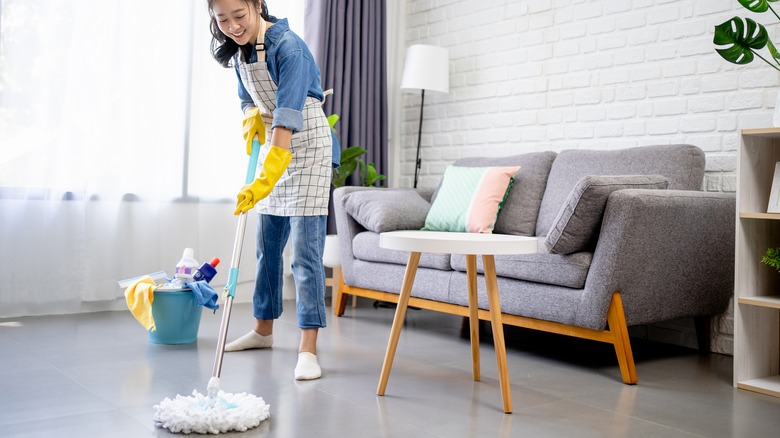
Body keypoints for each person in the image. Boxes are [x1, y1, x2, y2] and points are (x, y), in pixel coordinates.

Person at [207, 0, 332, 381]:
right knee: (267, 248)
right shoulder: (240, 52)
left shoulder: (289, 47)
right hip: (276, 150)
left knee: (305, 256)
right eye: (222, 20)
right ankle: (262, 331)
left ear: (257, 5)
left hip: (306, 149)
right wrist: (248, 114)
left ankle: (308, 349)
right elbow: (249, 96)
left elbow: (287, 116)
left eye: (239, 16)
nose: (232, 26)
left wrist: (267, 175)